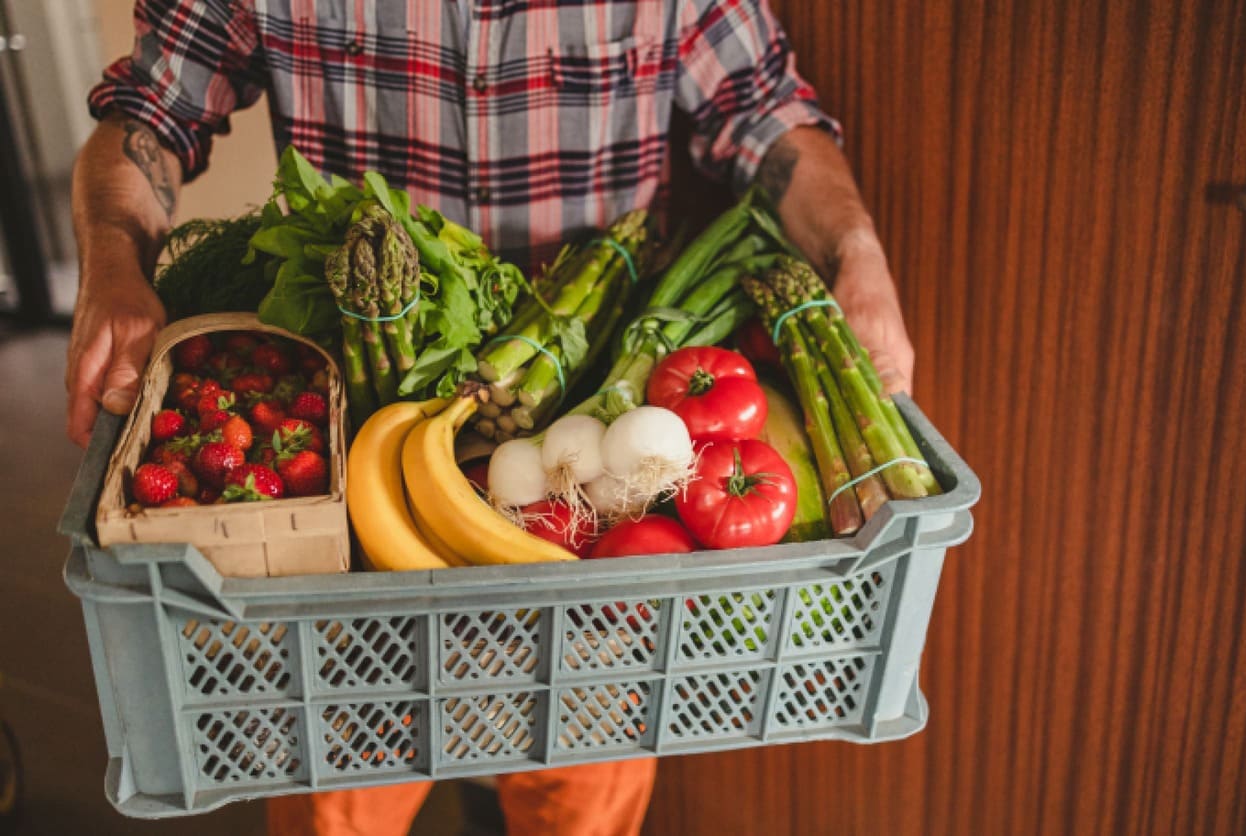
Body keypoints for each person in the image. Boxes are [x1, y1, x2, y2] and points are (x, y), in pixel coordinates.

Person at [65, 1, 915, 833]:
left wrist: (858, 253)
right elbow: (151, 109)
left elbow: (768, 118)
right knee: (338, 790)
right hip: (362, 460)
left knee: (579, 787)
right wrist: (111, 258)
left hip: (587, 484)